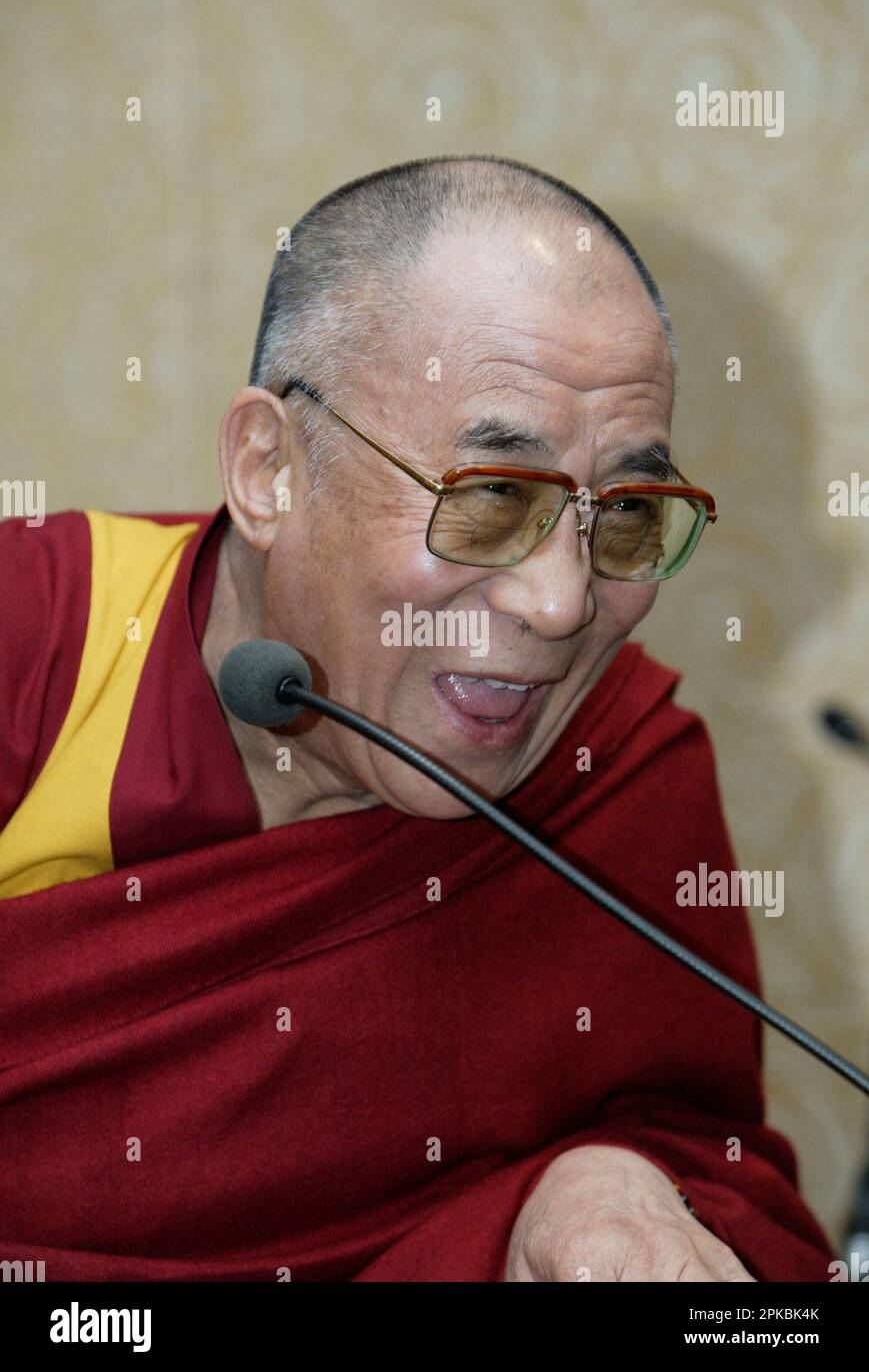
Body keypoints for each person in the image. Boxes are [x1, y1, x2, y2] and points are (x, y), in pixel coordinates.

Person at [0, 156, 835, 1281]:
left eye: (626, 514)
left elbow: (709, 1163)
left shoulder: (619, 769)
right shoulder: (33, 641)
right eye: (491, 497)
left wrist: (602, 1184)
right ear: (268, 470)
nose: (562, 603)